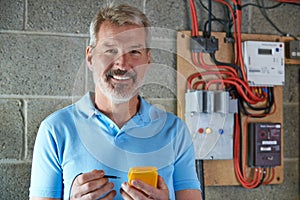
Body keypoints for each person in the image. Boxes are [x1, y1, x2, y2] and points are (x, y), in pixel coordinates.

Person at [29, 3, 202, 200]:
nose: (122, 63)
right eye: (110, 50)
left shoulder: (175, 131)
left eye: (135, 52)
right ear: (90, 57)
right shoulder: (55, 129)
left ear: (148, 59)